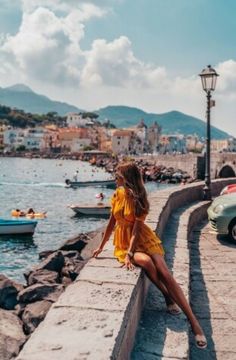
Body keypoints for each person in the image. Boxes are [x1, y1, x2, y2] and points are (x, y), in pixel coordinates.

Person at [93, 162, 207, 349]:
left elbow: (137, 231)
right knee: (146, 262)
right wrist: (101, 246)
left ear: (127, 178)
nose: (115, 178)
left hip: (142, 238)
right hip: (123, 242)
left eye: (118, 175)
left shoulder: (140, 199)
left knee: (165, 272)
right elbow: (111, 223)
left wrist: (130, 253)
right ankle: (166, 296)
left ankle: (195, 323)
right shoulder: (117, 195)